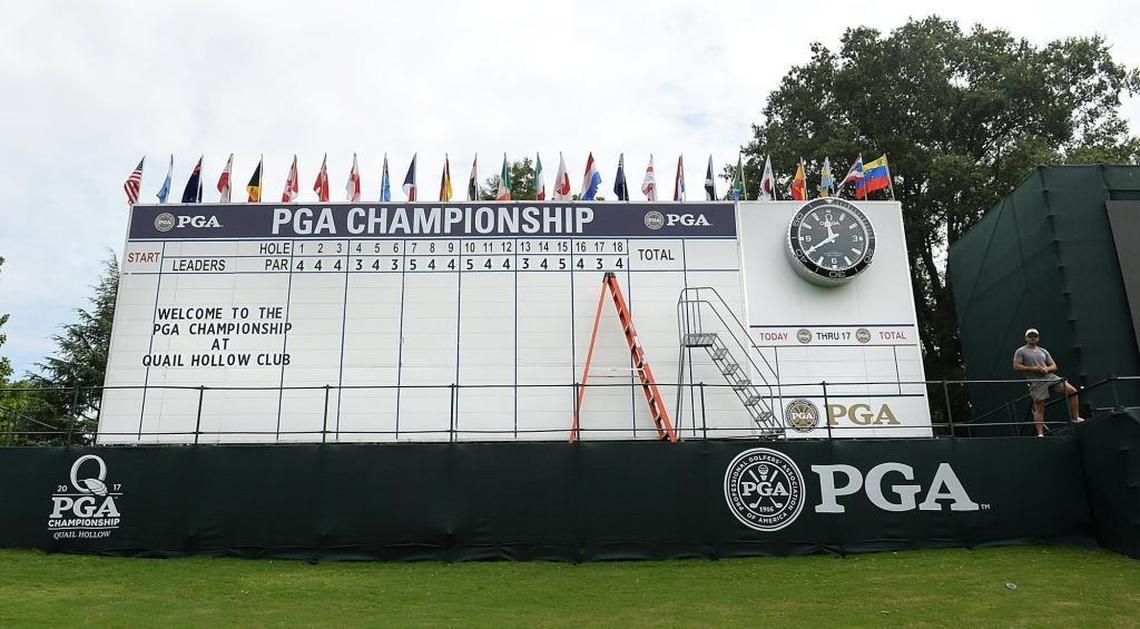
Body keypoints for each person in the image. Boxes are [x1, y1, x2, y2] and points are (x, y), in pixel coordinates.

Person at [1012, 328, 1084, 437]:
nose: (1033, 338)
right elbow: (1016, 366)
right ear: (1026, 338)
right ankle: (1040, 434)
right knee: (1039, 407)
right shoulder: (1021, 351)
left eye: (1035, 336)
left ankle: (1076, 418)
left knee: (1072, 391)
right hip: (1037, 382)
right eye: (1030, 336)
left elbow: (1054, 365)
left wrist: (1047, 369)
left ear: (1038, 338)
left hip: (1050, 377)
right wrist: (1035, 369)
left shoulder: (1043, 351)